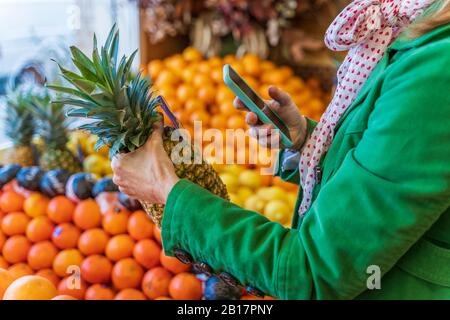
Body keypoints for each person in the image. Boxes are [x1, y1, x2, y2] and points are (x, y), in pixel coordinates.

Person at [111, 0, 450, 299]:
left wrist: (165, 190)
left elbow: (312, 274)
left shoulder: (436, 66)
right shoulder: (419, 23)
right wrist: (308, 141)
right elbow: (390, 159)